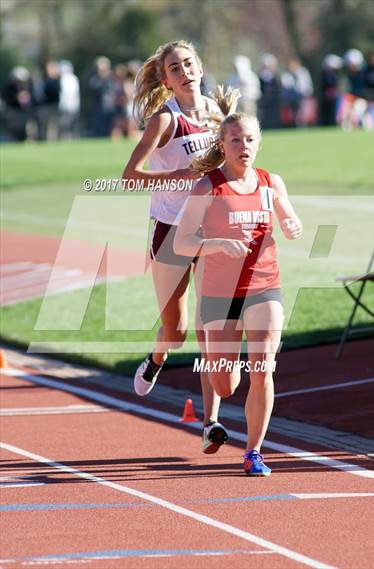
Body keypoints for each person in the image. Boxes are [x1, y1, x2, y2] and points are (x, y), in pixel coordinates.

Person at [122, 40, 239, 453]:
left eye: (189, 63)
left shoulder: (219, 114)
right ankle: (156, 358)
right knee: (176, 331)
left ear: (201, 66)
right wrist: (178, 174)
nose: (185, 71)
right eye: (175, 67)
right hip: (170, 230)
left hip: (210, 231)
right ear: (166, 79)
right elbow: (130, 175)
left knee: (210, 329)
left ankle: (211, 423)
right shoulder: (165, 121)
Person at [174, 112, 302, 475]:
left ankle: (253, 452)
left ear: (258, 142)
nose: (243, 147)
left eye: (248, 139)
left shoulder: (270, 182)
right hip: (220, 293)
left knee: (262, 370)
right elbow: (181, 242)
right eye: (235, 140)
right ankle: (214, 407)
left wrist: (292, 224)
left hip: (264, 286)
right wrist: (217, 243)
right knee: (225, 384)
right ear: (222, 145)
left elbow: (290, 216)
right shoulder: (207, 187)